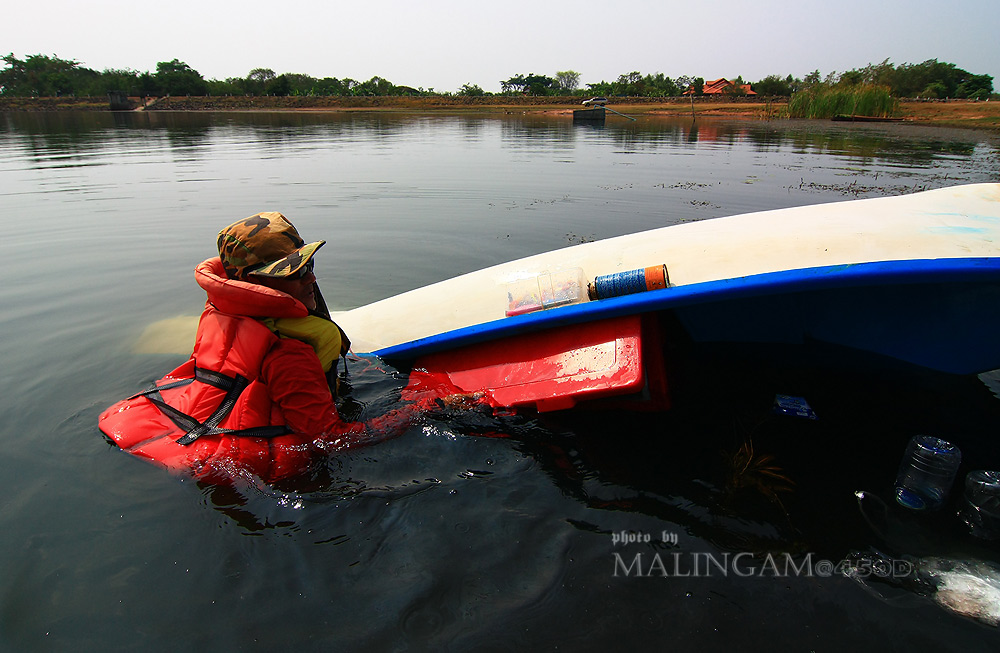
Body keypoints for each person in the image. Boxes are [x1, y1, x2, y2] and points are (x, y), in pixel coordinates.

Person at [99, 211, 434, 483]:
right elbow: (331, 440)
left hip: (191, 423)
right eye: (292, 272)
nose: (310, 279)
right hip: (255, 468)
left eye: (308, 265)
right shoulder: (290, 352)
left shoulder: (219, 310)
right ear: (252, 283)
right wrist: (419, 410)